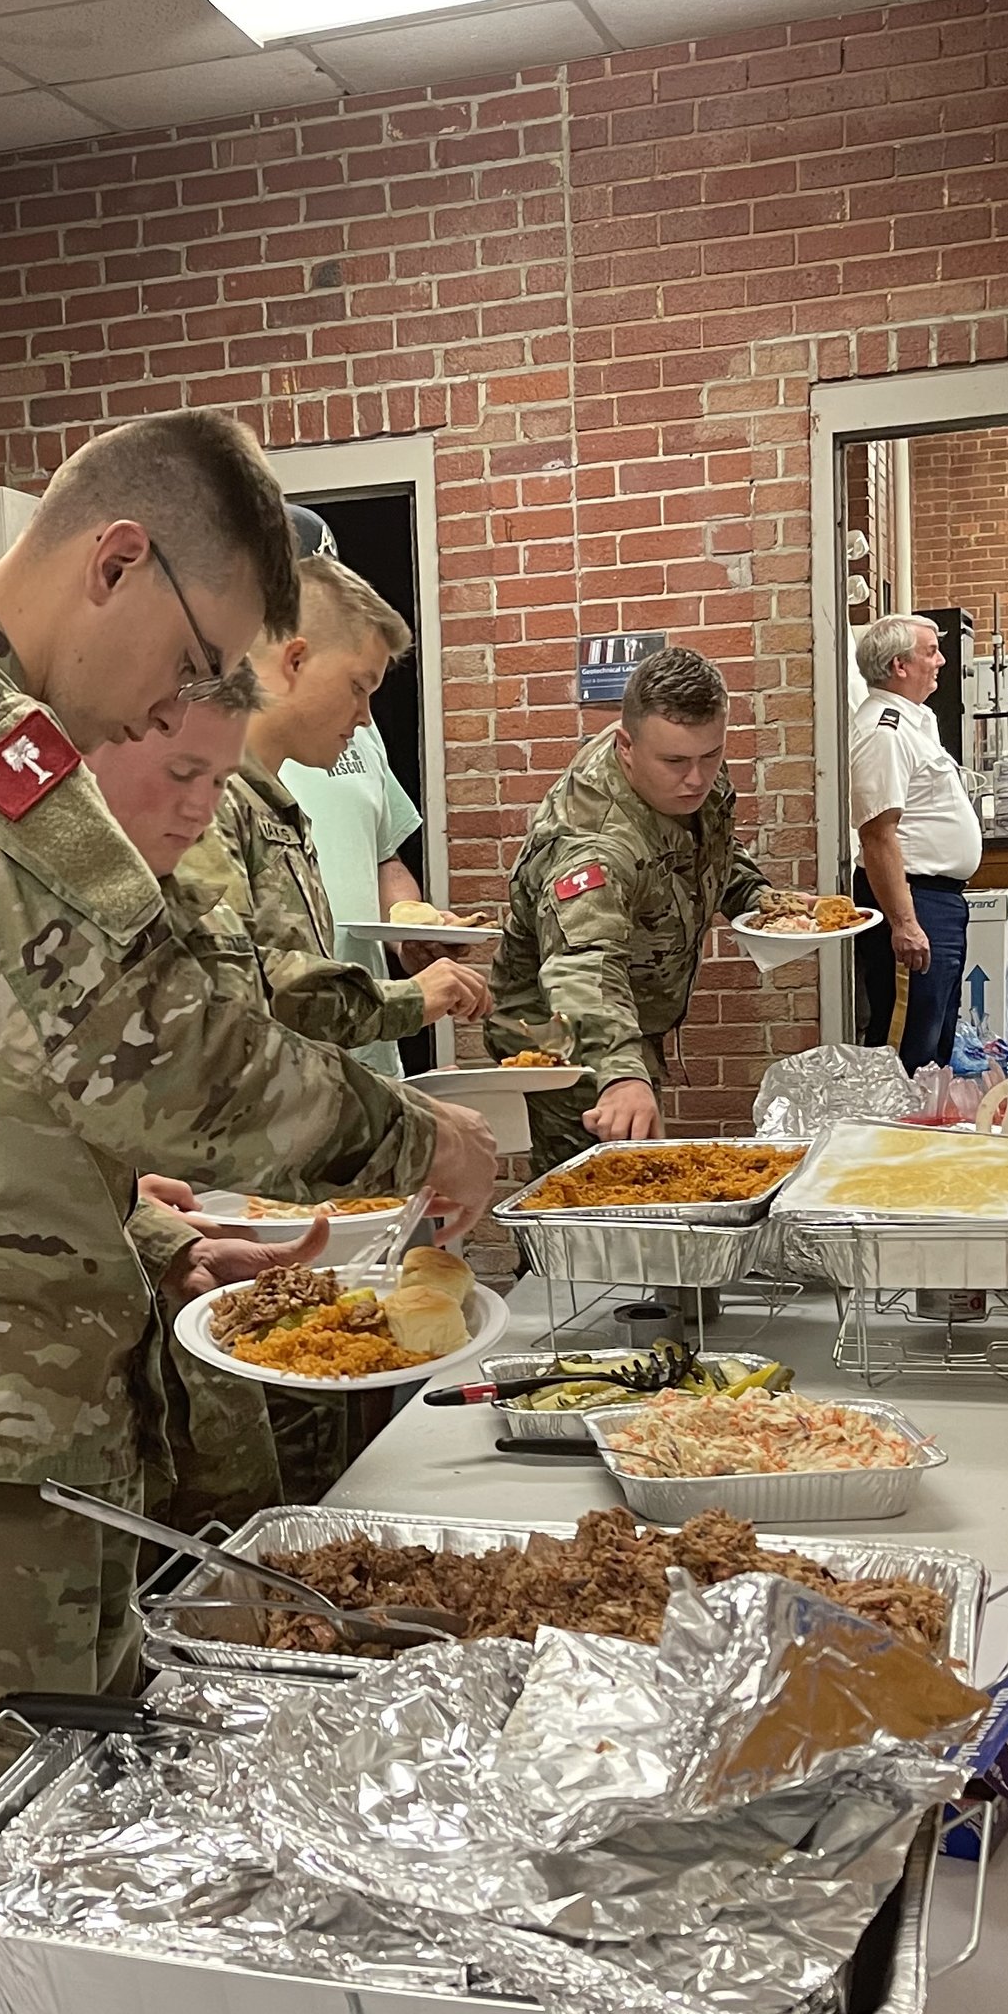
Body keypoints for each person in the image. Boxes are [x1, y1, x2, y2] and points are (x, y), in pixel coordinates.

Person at [0, 411, 499, 2009]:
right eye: (197, 653)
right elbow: (140, 1040)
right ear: (114, 561)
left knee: (45, 1857)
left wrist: (152, 1237)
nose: (181, 703)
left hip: (15, 1418)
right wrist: (405, 1131)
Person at [87, 685, 297, 1533]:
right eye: (183, 773)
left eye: (219, 781)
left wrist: (145, 1214)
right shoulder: (22, 913)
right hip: (37, 1360)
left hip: (176, 1244)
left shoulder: (175, 891)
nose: (204, 809)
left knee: (233, 1504)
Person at [484, 645, 789, 1171]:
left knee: (637, 1171)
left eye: (711, 755)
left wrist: (760, 899)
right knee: (595, 1197)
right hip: (560, 1030)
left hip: (626, 1019)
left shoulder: (683, 775)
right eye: (675, 762)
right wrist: (622, 1073)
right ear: (626, 745)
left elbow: (701, 851)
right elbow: (584, 964)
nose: (697, 778)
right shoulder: (592, 843)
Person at [175, 550, 489, 1055]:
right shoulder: (197, 793)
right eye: (357, 687)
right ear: (295, 660)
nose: (365, 717)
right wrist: (407, 1000)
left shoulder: (268, 798)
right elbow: (235, 993)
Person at [849, 611, 983, 1073]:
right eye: (931, 651)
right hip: (912, 899)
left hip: (937, 899)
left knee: (936, 1037)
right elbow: (877, 834)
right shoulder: (882, 731)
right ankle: (890, 1136)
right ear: (899, 666)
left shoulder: (916, 722)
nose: (942, 660)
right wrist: (904, 923)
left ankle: (924, 1134)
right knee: (906, 1043)